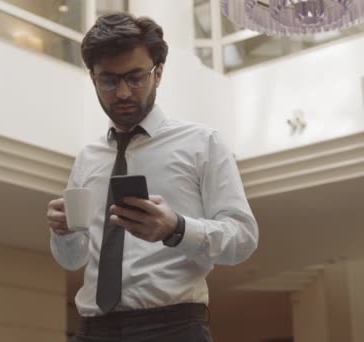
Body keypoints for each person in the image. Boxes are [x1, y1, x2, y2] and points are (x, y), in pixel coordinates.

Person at [46, 13, 258, 341]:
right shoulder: (88, 158)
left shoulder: (202, 143)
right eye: (109, 81)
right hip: (92, 329)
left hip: (173, 327)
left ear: (157, 73)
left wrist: (177, 229)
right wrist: (63, 233)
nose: (123, 93)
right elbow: (73, 259)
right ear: (93, 78)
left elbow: (243, 238)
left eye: (135, 77)